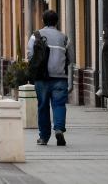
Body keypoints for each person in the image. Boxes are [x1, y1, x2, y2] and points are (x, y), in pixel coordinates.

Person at [27, 9, 73, 146]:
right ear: (57, 22)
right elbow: (71, 58)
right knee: (59, 104)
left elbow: (30, 55)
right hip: (60, 77)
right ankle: (59, 129)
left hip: (41, 78)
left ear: (43, 21)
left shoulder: (36, 36)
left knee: (43, 106)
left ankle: (44, 137)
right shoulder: (64, 38)